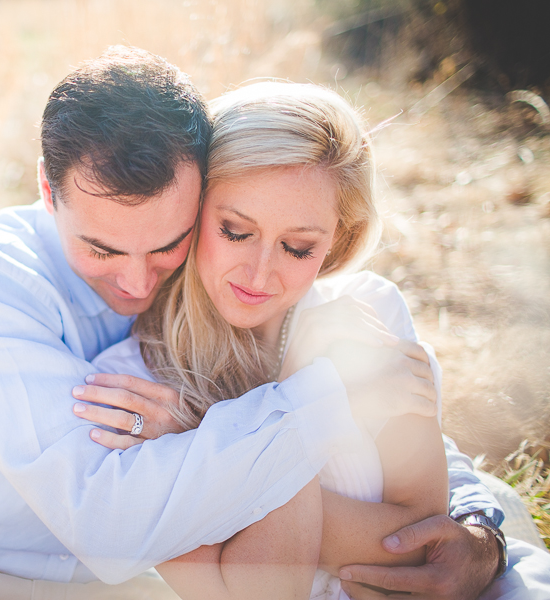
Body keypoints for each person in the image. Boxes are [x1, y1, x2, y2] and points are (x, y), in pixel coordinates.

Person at [0, 47, 545, 599]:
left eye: (167, 245)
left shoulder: (265, 304)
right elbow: (108, 524)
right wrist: (319, 397)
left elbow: (401, 418)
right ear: (46, 189)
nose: (136, 283)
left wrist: (477, 524)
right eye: (100, 249)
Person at [73, 81, 550, 599]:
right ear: (190, 209)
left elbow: (421, 541)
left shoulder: (367, 313)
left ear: (337, 240)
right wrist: (303, 395)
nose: (260, 273)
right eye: (235, 230)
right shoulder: (132, 389)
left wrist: (207, 462)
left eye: (298, 247)